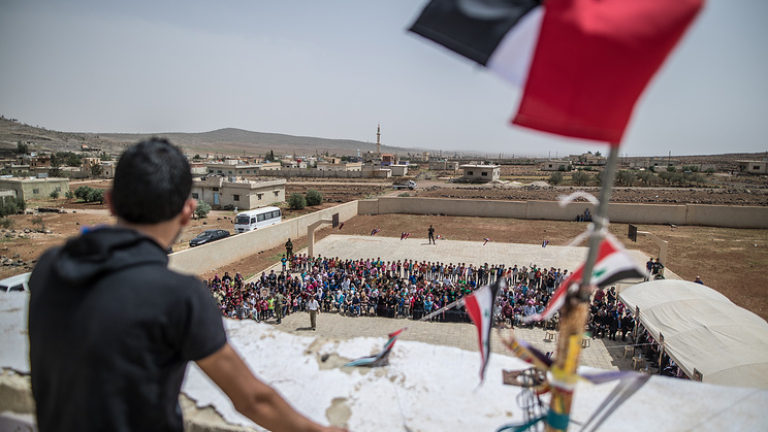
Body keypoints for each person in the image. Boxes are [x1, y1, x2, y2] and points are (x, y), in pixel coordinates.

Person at [28, 139, 346, 432]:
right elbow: (252, 400)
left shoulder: (48, 267)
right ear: (188, 212)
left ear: (110, 201)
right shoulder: (180, 297)